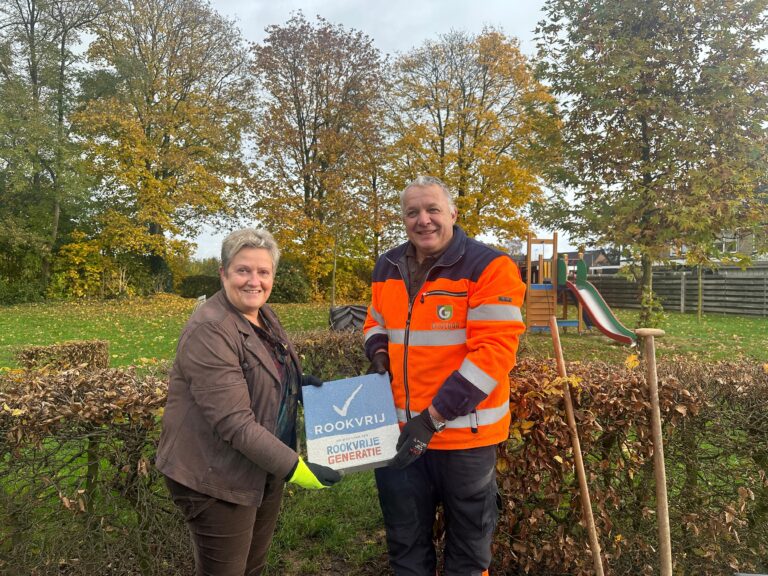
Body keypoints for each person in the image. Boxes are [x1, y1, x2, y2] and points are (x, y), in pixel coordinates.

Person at [363, 176, 526, 576]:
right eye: (412, 212)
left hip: (464, 439)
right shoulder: (388, 265)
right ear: (403, 218)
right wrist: (379, 353)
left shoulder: (490, 267)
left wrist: (432, 418)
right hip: (401, 433)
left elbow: (493, 354)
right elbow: (375, 321)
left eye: (433, 209)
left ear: (452, 212)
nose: (424, 220)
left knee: (468, 554)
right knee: (405, 546)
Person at [156, 228, 341, 576]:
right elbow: (234, 422)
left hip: (262, 465)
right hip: (216, 475)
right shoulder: (211, 329)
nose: (253, 281)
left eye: (263, 272)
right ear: (223, 273)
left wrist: (296, 385)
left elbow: (259, 371)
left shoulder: (263, 315)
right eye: (243, 270)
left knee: (251, 567)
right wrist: (296, 468)